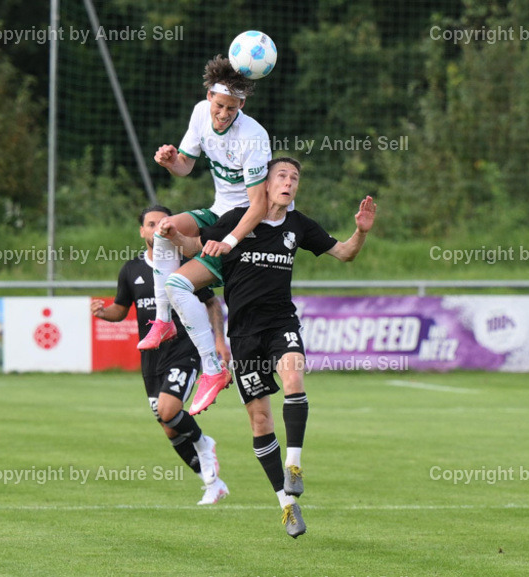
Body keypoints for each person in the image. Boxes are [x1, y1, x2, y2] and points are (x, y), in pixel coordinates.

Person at [161, 157, 377, 538]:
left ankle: (294, 466)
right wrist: (176, 239)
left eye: (295, 178)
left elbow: (345, 253)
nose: (289, 182)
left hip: (281, 323)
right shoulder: (238, 219)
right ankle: (286, 504)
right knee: (260, 421)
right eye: (282, 175)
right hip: (244, 334)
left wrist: (360, 232)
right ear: (264, 182)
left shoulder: (299, 225)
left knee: (294, 376)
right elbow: (201, 245)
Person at [139, 55, 272, 415]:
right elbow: (185, 166)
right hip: (217, 211)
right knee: (165, 232)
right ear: (209, 97)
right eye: (219, 105)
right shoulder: (200, 113)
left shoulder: (253, 136)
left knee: (179, 285)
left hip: (242, 222)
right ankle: (164, 321)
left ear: (241, 105)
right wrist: (169, 161)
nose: (223, 113)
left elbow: (258, 206)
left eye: (231, 107)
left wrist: (228, 241)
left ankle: (212, 370)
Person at [91, 205, 232, 505]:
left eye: (162, 222)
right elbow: (121, 309)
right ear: (142, 231)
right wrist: (104, 313)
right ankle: (212, 482)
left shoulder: (185, 266)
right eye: (150, 223)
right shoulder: (131, 270)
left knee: (169, 410)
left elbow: (212, 304)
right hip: (152, 357)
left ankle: (205, 445)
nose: (157, 228)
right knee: (169, 427)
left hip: (184, 348)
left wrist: (219, 340)